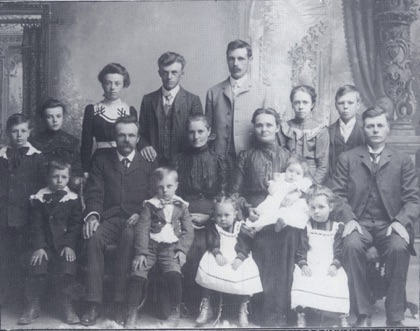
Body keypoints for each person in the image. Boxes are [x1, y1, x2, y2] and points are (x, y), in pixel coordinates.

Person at [331, 106, 420, 327]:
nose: (375, 130)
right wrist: (349, 219)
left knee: (399, 248)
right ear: (364, 128)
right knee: (350, 246)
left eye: (380, 125)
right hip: (359, 222)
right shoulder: (347, 158)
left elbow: (413, 199)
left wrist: (400, 221)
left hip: (389, 223)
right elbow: (337, 195)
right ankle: (364, 313)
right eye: (370, 126)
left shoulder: (402, 160)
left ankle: (395, 316)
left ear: (387, 128)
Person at [80, 116, 157, 327]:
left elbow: (154, 197)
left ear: (138, 138)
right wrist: (94, 215)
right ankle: (93, 302)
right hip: (110, 217)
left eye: (131, 135)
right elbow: (94, 192)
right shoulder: (102, 160)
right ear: (115, 137)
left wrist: (143, 213)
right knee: (93, 237)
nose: (126, 140)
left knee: (129, 237)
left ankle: (120, 302)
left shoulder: (147, 163)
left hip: (136, 219)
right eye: (121, 135)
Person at [229, 108, 296, 327]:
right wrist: (247, 209)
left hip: (281, 213)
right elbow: (234, 193)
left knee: (286, 238)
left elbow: (302, 185)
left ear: (277, 127)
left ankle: (280, 313)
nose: (264, 129)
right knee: (261, 240)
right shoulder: (246, 156)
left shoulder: (288, 156)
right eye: (259, 125)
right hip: (253, 212)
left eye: (269, 125)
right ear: (254, 127)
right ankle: (258, 311)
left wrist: (292, 196)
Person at [172, 114, 228, 313]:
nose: (196, 136)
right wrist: (183, 216)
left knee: (203, 244)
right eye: (191, 132)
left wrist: (211, 216)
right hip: (183, 211)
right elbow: (173, 193)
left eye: (200, 131)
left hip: (209, 213)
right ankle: (180, 302)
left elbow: (223, 194)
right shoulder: (178, 159)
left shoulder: (218, 160)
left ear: (209, 132)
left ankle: (203, 304)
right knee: (180, 243)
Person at [126, 167, 193, 328]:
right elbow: (142, 229)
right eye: (160, 187)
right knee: (137, 274)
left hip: (171, 248)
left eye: (169, 186)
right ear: (155, 188)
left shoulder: (181, 206)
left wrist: (182, 250)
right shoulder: (150, 206)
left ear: (176, 186)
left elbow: (188, 230)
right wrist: (141, 253)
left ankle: (175, 311)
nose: (165, 191)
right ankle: (132, 311)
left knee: (174, 275)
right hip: (150, 247)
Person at [18, 159, 82, 325]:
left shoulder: (72, 199)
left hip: (62, 247)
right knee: (37, 264)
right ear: (48, 177)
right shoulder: (38, 198)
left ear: (69, 178)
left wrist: (69, 245)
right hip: (44, 246)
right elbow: (35, 225)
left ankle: (66, 303)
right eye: (55, 177)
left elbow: (75, 225)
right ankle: (33, 304)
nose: (59, 181)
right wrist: (39, 246)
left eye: (63, 177)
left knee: (67, 267)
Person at [195, 195, 263, 327]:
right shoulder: (214, 226)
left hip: (237, 257)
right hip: (219, 254)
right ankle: (207, 306)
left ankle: (243, 308)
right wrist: (216, 253)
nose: (223, 219)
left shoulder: (240, 226)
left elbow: (245, 243)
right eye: (219, 215)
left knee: (245, 273)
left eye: (227, 215)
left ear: (235, 213)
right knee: (209, 267)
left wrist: (240, 257)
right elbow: (212, 240)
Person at [0, 113, 46, 305]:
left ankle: (28, 303)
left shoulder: (36, 157)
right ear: (7, 133)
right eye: (14, 131)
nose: (19, 135)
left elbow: (43, 188)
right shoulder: (2, 155)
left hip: (26, 217)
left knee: (25, 256)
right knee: (5, 257)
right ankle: (5, 298)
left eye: (23, 131)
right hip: (3, 216)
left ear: (30, 132)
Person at [205, 39, 273, 167]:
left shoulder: (263, 92)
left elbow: (268, 130)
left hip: (251, 158)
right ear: (227, 60)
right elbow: (207, 131)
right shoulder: (213, 92)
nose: (235, 63)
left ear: (250, 60)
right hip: (219, 159)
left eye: (241, 59)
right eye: (231, 59)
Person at [291, 186, 349, 328]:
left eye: (321, 207)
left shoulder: (337, 227)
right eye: (313, 207)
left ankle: (340, 315)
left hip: (329, 264)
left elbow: (339, 250)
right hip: (311, 263)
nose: (316, 211)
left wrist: (335, 265)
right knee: (301, 277)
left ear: (331, 207)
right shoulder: (306, 226)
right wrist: (303, 264)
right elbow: (301, 249)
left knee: (339, 279)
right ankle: (301, 314)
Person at [138, 52, 203, 165]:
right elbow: (141, 133)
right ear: (159, 73)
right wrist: (145, 146)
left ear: (182, 73)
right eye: (165, 72)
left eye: (174, 72)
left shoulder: (193, 101)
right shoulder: (148, 100)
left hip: (184, 163)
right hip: (153, 163)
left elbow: (198, 135)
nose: (169, 77)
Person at [81, 63, 137, 176]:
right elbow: (86, 143)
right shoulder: (92, 110)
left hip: (122, 160)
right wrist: (85, 169)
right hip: (99, 160)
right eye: (108, 83)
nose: (112, 88)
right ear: (102, 84)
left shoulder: (129, 110)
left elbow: (134, 141)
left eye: (117, 83)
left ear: (123, 85)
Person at [278, 85, 329, 184]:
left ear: (312, 104)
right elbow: (279, 158)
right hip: (288, 176)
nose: (301, 107)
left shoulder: (320, 130)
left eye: (305, 102)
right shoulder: (284, 127)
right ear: (292, 104)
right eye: (297, 102)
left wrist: (309, 186)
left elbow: (323, 166)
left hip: (311, 178)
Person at [247, 155, 312, 232]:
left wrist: (298, 191)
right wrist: (276, 181)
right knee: (266, 215)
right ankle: (255, 229)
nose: (293, 175)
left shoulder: (301, 182)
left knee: (290, 214)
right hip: (274, 202)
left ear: (303, 175)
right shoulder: (280, 178)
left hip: (288, 205)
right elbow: (271, 190)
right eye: (290, 171)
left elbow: (308, 186)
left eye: (298, 173)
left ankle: (281, 225)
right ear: (286, 170)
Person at [31, 98, 83, 188]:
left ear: (63, 117)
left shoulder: (72, 141)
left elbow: (77, 170)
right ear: (43, 118)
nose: (55, 120)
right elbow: (33, 172)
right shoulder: (35, 142)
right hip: (41, 188)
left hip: (67, 188)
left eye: (58, 116)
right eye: (49, 117)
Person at [328, 85, 364, 178]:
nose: (345, 107)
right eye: (341, 103)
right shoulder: (328, 131)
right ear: (336, 105)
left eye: (350, 103)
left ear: (358, 105)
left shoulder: (365, 129)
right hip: (336, 181)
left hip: (360, 181)